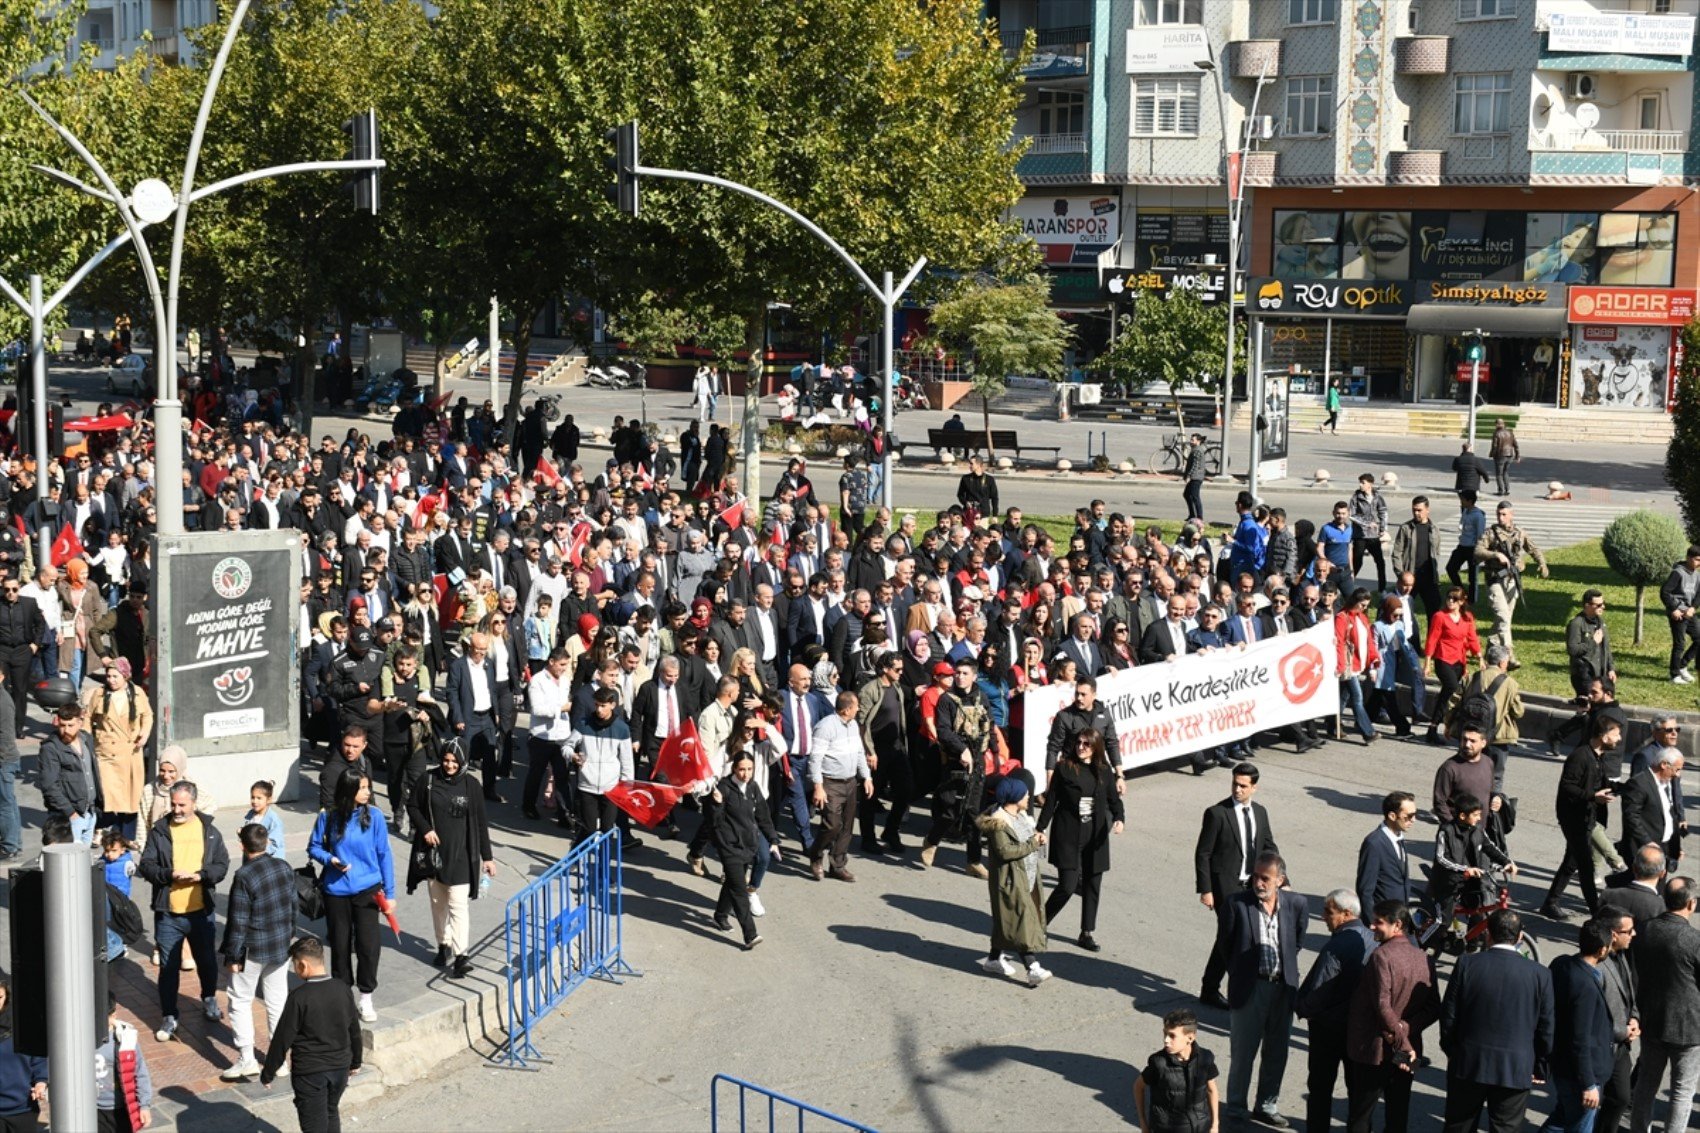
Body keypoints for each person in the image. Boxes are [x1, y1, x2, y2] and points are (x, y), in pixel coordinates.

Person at [1438, 910, 1553, 1133]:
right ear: (1520, 937)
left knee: (1459, 1125)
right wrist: (1541, 1066)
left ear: (1488, 934)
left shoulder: (1466, 964)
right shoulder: (1540, 974)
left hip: (1468, 1062)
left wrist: (1452, 1050)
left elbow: (1449, 1015)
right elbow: (1546, 1027)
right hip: (1515, 1067)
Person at [137, 781, 228, 1042]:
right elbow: (147, 865)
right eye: (173, 804)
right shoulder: (160, 831)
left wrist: (201, 876)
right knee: (169, 967)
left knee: (207, 960)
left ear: (194, 804)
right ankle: (169, 1015)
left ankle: (209, 998)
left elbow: (222, 865)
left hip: (201, 911)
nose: (176, 810)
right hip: (169, 913)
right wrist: (168, 874)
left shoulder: (209, 830)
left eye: (182, 805)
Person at [1220, 852, 1307, 1127]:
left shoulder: (1297, 904)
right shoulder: (1236, 904)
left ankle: (1267, 1106)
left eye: (1265, 878)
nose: (1258, 882)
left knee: (1277, 1052)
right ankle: (1236, 1108)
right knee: (1243, 1052)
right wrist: (1241, 974)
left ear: (1280, 880)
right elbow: (1225, 946)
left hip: (1283, 988)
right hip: (1250, 988)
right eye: (1255, 876)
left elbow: (1297, 942)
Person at [1345, 900, 1439, 1133]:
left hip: (1376, 1050)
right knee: (1398, 1114)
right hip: (1407, 1052)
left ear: (1397, 925)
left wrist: (1402, 1043)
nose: (1372, 926)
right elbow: (1434, 1008)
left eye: (1378, 922)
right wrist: (1406, 1032)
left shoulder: (1381, 957)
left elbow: (1382, 1006)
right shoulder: (1423, 958)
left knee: (1361, 1114)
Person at [308, 773, 396, 1023]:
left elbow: (384, 855)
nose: (368, 792)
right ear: (348, 791)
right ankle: (342, 994)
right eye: (362, 788)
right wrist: (330, 860)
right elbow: (314, 847)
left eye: (368, 787)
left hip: (368, 889)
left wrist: (390, 894)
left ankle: (366, 997)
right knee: (340, 943)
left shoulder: (375, 816)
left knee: (369, 945)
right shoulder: (328, 816)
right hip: (336, 890)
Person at [1193, 765, 1278, 1011]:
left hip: (1251, 886)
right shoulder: (1217, 813)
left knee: (1228, 937)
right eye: (1235, 784)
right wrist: (1206, 889)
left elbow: (1269, 847)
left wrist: (1281, 877)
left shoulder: (1260, 813)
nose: (1238, 789)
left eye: (1243, 785)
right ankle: (1240, 990)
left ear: (1254, 787)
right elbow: (1203, 853)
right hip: (1225, 887)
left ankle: (1209, 987)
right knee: (1236, 936)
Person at [406, 745, 494, 979]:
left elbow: (481, 823)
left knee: (459, 907)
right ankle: (443, 944)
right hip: (435, 856)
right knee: (438, 904)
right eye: (446, 760)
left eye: (455, 761)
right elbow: (412, 805)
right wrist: (425, 829)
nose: (450, 765)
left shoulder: (471, 785)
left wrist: (488, 857)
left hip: (463, 857)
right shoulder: (429, 779)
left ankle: (461, 956)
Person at [260, 935, 364, 1133]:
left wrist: (268, 1073)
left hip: (310, 1073)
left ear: (303, 966)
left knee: (314, 1126)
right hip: (340, 1068)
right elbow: (354, 1030)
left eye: (295, 965)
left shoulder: (299, 997)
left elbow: (282, 1039)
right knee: (331, 1112)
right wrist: (356, 1061)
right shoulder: (342, 989)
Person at [219, 822, 296, 1081]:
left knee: (240, 999)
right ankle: (280, 1061)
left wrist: (232, 956)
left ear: (242, 845)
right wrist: (289, 936)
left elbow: (238, 921)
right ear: (266, 843)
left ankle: (247, 1058)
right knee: (277, 1003)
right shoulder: (284, 867)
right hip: (280, 945)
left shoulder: (244, 876)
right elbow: (292, 906)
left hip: (252, 949)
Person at [1036, 728, 1124, 952]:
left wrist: (1120, 819)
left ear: (1096, 748)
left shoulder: (1104, 771)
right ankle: (1039, 924)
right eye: (1079, 743)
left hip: (1096, 835)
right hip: (1069, 834)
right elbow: (1051, 800)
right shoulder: (1065, 767)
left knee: (1093, 884)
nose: (1081, 747)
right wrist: (1040, 828)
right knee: (1067, 885)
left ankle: (1086, 932)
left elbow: (1114, 800)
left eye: (1086, 744)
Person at [1295, 889, 1376, 1133]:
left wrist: (1301, 1006)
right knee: (1357, 1091)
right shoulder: (1373, 940)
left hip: (1328, 1030)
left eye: (1328, 912)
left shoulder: (1337, 945)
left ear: (1346, 914)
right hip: (1360, 1031)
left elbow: (1318, 989)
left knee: (1320, 1090)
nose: (1323, 917)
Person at [1629, 876, 1700, 1133]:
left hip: (1652, 1020)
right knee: (1682, 1092)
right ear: (1691, 904)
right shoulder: (1694, 940)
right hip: (1689, 1027)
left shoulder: (1645, 929)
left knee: (1646, 1085)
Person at [1540, 714, 1620, 922]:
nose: (1619, 739)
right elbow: (1568, 787)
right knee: (1585, 865)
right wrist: (1593, 797)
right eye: (1616, 734)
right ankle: (1597, 912)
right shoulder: (1580, 756)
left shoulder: (1598, 757)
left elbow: (1602, 784)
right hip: (1573, 818)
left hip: (1587, 817)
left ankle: (1550, 902)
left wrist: (1629, 788)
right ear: (1603, 736)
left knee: (1571, 861)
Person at [975, 776, 1050, 987]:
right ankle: (1032, 967)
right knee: (1020, 921)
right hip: (1010, 881)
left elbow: (1027, 839)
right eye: (1025, 794)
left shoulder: (1022, 816)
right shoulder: (999, 823)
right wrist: (1032, 844)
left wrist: (1038, 838)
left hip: (1026, 877)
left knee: (1005, 922)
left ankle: (993, 960)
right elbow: (1005, 852)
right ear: (1015, 797)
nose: (1029, 797)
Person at [1546, 917, 1616, 1133]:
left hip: (1562, 1065)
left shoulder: (1561, 964)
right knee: (1579, 1124)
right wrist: (1589, 1085)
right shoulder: (1585, 985)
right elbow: (1580, 1038)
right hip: (1580, 1075)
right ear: (1602, 950)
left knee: (1561, 1119)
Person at [710, 751, 778, 951]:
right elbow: (714, 822)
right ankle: (750, 934)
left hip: (747, 845)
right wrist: (717, 803)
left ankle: (720, 916)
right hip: (728, 847)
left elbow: (763, 816)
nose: (746, 774)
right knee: (739, 889)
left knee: (732, 883)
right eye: (742, 769)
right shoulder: (723, 788)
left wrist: (773, 839)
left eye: (749, 769)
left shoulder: (753, 787)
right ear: (734, 769)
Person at [807, 690, 872, 883]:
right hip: (831, 783)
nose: (858, 709)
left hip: (850, 782)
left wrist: (866, 777)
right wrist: (818, 786)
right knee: (832, 825)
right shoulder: (826, 727)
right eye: (856, 706)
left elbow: (860, 753)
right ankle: (816, 855)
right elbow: (815, 759)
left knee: (847, 827)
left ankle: (838, 864)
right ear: (846, 709)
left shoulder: (853, 726)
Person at [84, 657, 152, 840]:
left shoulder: (137, 693)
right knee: (106, 797)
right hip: (105, 753)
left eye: (115, 676)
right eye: (109, 676)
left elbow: (147, 716)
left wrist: (144, 735)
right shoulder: (98, 694)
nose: (111, 680)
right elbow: (87, 719)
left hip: (130, 753)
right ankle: (103, 831)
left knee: (130, 798)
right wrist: (86, 743)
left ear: (125, 676)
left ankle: (126, 837)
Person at [1476, 501, 1549, 669]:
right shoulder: (1490, 533)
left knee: (1505, 618)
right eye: (1498, 514)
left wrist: (1542, 564)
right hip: (1494, 580)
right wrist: (1495, 555)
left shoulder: (1519, 533)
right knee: (1502, 616)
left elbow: (1533, 548)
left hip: (1512, 581)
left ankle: (1492, 646)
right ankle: (1509, 654)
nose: (1501, 518)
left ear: (1511, 514)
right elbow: (1477, 552)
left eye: (1504, 514)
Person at [1133, 1009, 1220, 1133]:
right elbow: (1138, 1087)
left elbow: (1212, 1090)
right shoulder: (1158, 1063)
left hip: (1200, 1127)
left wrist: (1215, 1124)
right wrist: (1143, 1123)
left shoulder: (1205, 1058)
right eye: (1165, 1034)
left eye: (1172, 1036)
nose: (1166, 1040)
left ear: (1190, 1038)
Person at [1595, 904, 1640, 1133]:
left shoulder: (1623, 955)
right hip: (1603, 1044)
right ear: (1614, 935)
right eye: (1629, 930)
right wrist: (1623, 1030)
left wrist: (1634, 1018)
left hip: (1621, 1043)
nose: (1634, 934)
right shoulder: (1597, 965)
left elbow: (1629, 994)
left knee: (1621, 1097)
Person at [1423, 587, 1482, 747]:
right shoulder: (1440, 616)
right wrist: (1427, 663)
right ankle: (1441, 726)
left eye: (1454, 599)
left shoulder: (1467, 618)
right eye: (1449, 598)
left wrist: (1480, 657)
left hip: (1459, 660)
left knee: (1447, 694)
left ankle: (1434, 728)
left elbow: (1472, 638)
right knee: (1452, 688)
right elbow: (1432, 639)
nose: (1450, 601)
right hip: (1443, 658)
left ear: (1462, 602)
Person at [36, 702, 101, 844]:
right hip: (68, 817)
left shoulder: (87, 739)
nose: (65, 730)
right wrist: (72, 814)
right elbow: (49, 786)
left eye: (70, 725)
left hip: (89, 812)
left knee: (83, 862)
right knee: (68, 863)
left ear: (80, 722)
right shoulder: (51, 748)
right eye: (62, 725)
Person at [94, 988, 150, 1133]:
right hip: (93, 1109)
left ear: (113, 1015)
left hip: (121, 1108)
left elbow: (140, 1072)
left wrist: (144, 1105)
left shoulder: (126, 1039)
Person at [1618, 745, 1684, 865]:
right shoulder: (1639, 783)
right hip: (1644, 850)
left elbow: (1669, 815)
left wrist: (1675, 848)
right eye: (1677, 769)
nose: (1677, 775)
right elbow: (1631, 817)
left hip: (1662, 847)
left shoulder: (1665, 783)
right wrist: (1647, 842)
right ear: (1664, 765)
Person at [1356, 792, 1415, 924]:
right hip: (1384, 921)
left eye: (1414, 815)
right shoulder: (1374, 843)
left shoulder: (1398, 837)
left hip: (1399, 917)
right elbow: (1365, 890)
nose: (1413, 820)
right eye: (1409, 816)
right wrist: (1373, 922)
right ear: (1392, 816)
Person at [0, 979, 47, 1132]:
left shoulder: (23, 1025)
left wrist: (41, 1082)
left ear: (7, 996)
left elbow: (38, 1059)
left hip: (22, 1110)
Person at [1659, 545, 1700, 684]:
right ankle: (1674, 675)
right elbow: (1665, 592)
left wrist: (1693, 608)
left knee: (1699, 639)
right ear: (1688, 558)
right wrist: (1674, 609)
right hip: (1678, 613)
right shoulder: (1678, 572)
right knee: (1680, 644)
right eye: (1697, 560)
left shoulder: (1697, 574)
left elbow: (1699, 594)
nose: (1699, 563)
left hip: (1689, 612)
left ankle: (1683, 665)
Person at [1565, 589, 1616, 698]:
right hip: (1584, 674)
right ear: (1587, 605)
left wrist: (1611, 669)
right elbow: (1572, 649)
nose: (1603, 607)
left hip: (1600, 675)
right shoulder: (1577, 624)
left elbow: (1606, 648)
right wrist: (1593, 642)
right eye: (1599, 605)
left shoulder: (1600, 623)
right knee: (1587, 706)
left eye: (1603, 603)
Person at [1349, 474, 1389, 592]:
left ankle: (1383, 589)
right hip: (1360, 535)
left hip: (1373, 535)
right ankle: (1349, 586)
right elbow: (1352, 515)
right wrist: (1367, 524)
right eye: (1360, 482)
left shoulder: (1377, 497)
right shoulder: (1356, 497)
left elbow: (1383, 512)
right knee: (1357, 561)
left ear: (1370, 484)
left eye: (1363, 482)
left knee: (1380, 562)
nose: (1360, 485)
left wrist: (1383, 529)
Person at [1489, 419, 1519, 496]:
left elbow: (1495, 446)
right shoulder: (1510, 432)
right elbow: (1516, 445)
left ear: (1497, 424)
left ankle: (1501, 490)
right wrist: (1517, 456)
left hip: (1500, 455)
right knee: (1505, 472)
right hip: (1510, 455)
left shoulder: (1497, 433)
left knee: (1499, 474)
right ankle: (1507, 489)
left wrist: (1492, 454)